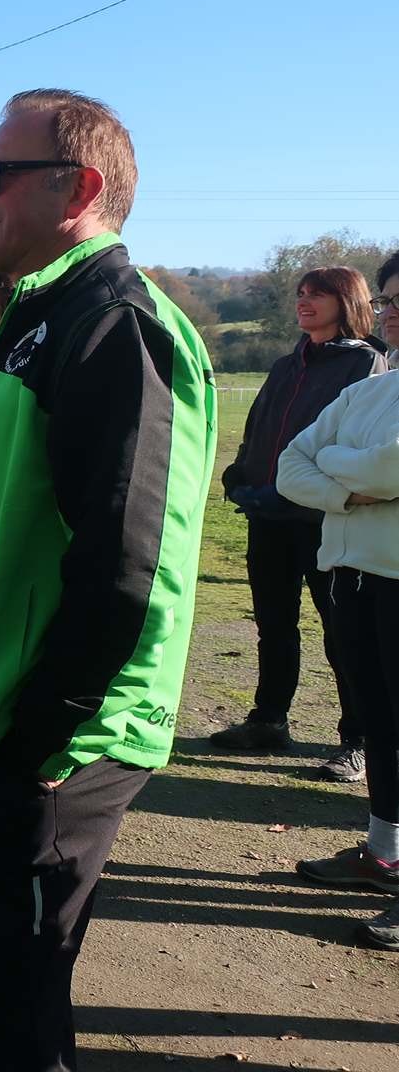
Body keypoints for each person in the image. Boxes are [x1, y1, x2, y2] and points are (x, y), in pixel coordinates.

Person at [0, 89, 216, 1066]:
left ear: (79, 189)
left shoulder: (110, 322)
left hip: (47, 741)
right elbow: (9, 490)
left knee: (13, 1018)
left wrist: (41, 741)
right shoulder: (28, 323)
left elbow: (123, 558)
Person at [211, 266, 384, 782]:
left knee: (342, 634)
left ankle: (358, 741)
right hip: (270, 519)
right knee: (273, 625)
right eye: (301, 293)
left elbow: (354, 443)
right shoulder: (289, 363)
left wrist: (300, 491)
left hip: (324, 518)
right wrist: (240, 474)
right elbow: (261, 422)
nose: (304, 301)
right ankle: (269, 720)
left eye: (318, 294)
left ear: (347, 300)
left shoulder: (364, 365)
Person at [280, 254, 399, 952]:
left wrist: (339, 468)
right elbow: (292, 462)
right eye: (386, 298)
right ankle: (381, 853)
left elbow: (391, 464)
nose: (389, 310)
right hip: (350, 572)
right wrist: (348, 488)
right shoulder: (370, 392)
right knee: (377, 724)